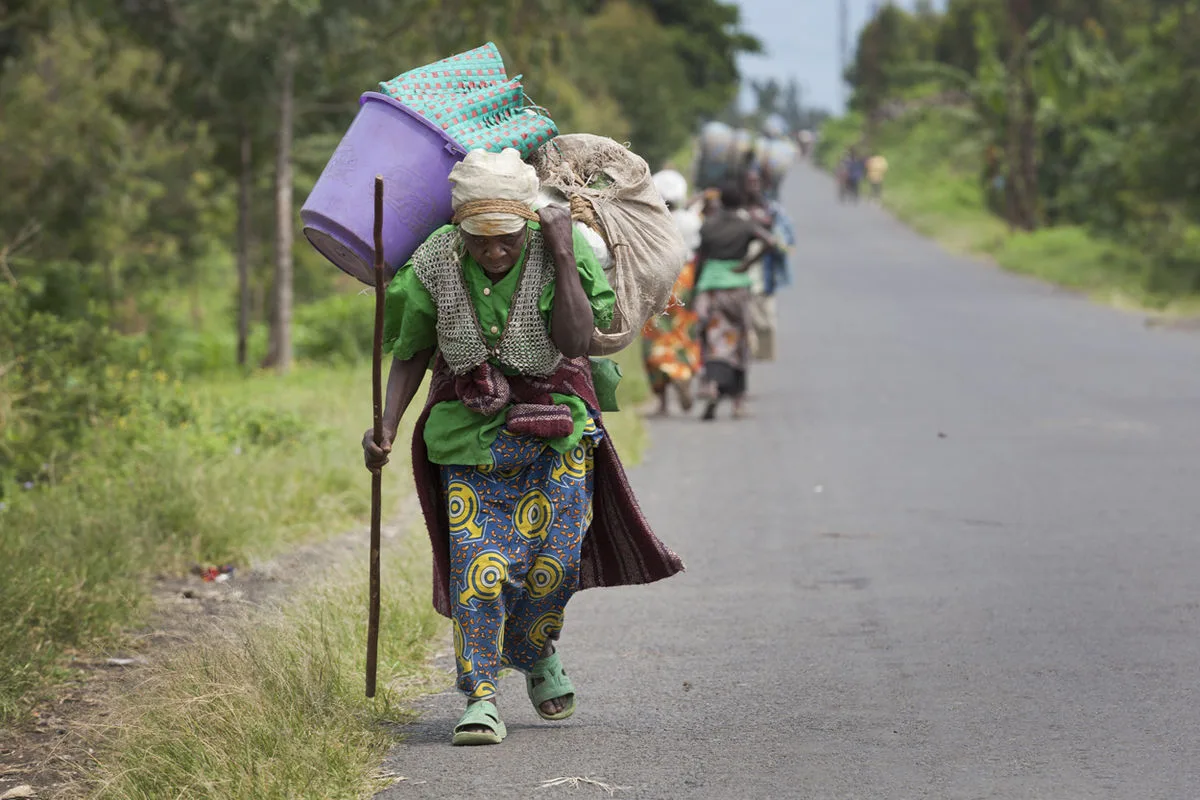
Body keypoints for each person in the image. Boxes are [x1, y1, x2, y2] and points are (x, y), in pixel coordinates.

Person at [362, 148, 683, 746]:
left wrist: (562, 252)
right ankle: (480, 696)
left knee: (552, 566)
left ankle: (534, 652)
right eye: (479, 240)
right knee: (479, 570)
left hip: (556, 433)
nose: (493, 252)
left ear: (527, 222)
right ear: (459, 229)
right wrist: (386, 425)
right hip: (469, 439)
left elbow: (577, 337)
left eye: (505, 238)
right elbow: (411, 350)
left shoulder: (559, 250)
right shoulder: (435, 261)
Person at [693, 183, 779, 421]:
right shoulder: (746, 225)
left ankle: (711, 385)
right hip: (737, 287)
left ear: (720, 202)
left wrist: (695, 289)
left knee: (712, 341)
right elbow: (771, 242)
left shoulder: (708, 226)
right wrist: (748, 264)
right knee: (739, 340)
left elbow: (701, 259)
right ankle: (738, 402)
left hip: (710, 289)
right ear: (740, 204)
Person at [642, 170, 703, 416]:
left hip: (658, 277)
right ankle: (683, 371)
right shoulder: (691, 221)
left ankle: (663, 401)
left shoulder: (651, 222)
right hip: (685, 278)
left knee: (654, 332)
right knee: (683, 331)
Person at [742, 168, 794, 362]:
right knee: (746, 320)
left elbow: (785, 243)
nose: (752, 186)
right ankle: (747, 355)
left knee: (767, 320)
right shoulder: (737, 210)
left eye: (756, 182)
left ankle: (763, 356)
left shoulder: (773, 211)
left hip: (765, 272)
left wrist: (767, 227)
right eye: (749, 182)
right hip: (741, 272)